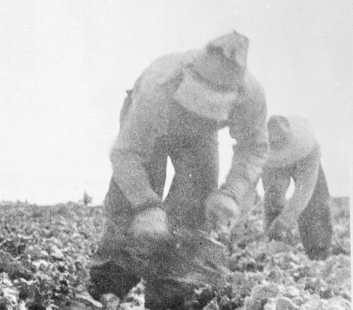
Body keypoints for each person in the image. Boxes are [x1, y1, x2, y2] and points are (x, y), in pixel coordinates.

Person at [88, 32, 268, 309]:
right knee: (129, 214)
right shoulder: (157, 84)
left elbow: (254, 147)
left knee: (194, 215)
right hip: (152, 129)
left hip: (201, 138)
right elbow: (126, 153)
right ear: (186, 79)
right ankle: (106, 293)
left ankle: (169, 299)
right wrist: (146, 205)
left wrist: (230, 193)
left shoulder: (251, 96)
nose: (197, 112)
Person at [262, 115, 332, 260]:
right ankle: (274, 254)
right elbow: (270, 196)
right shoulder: (264, 152)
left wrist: (284, 222)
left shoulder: (309, 147)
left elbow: (305, 191)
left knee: (315, 203)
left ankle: (318, 255)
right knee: (273, 201)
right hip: (274, 163)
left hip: (306, 159)